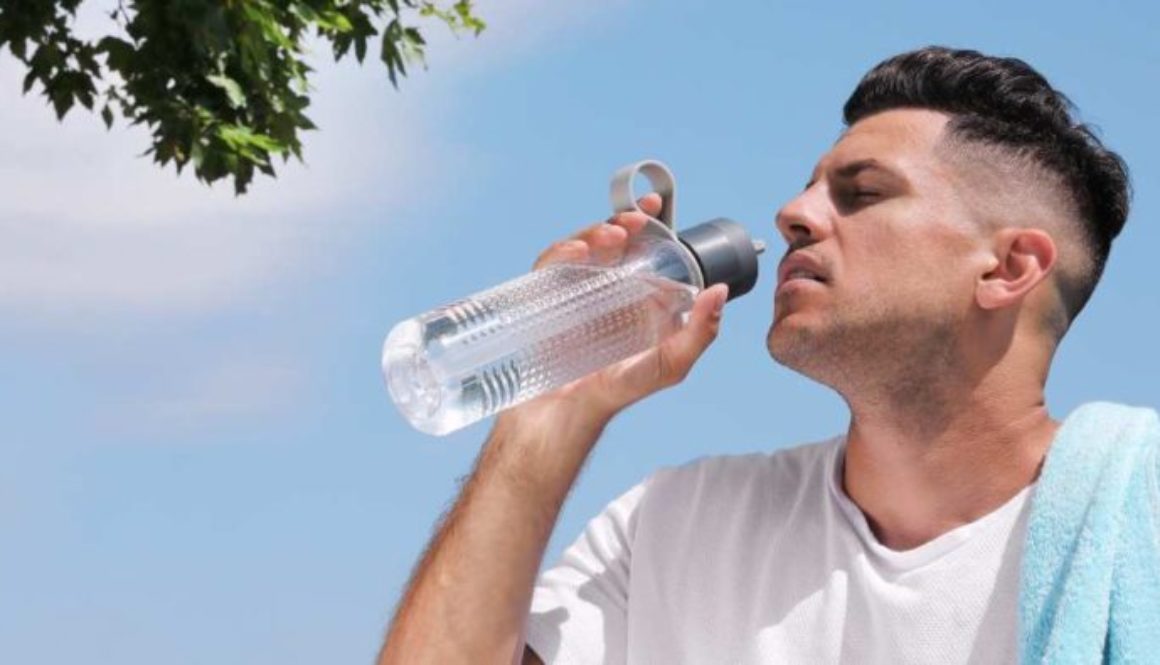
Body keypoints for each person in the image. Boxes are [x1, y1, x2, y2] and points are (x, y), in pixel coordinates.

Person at [377, 46, 1142, 664]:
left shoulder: (1133, 528)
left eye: (863, 192)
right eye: (809, 188)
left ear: (1008, 269)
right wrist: (545, 418)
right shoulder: (677, 525)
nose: (793, 214)